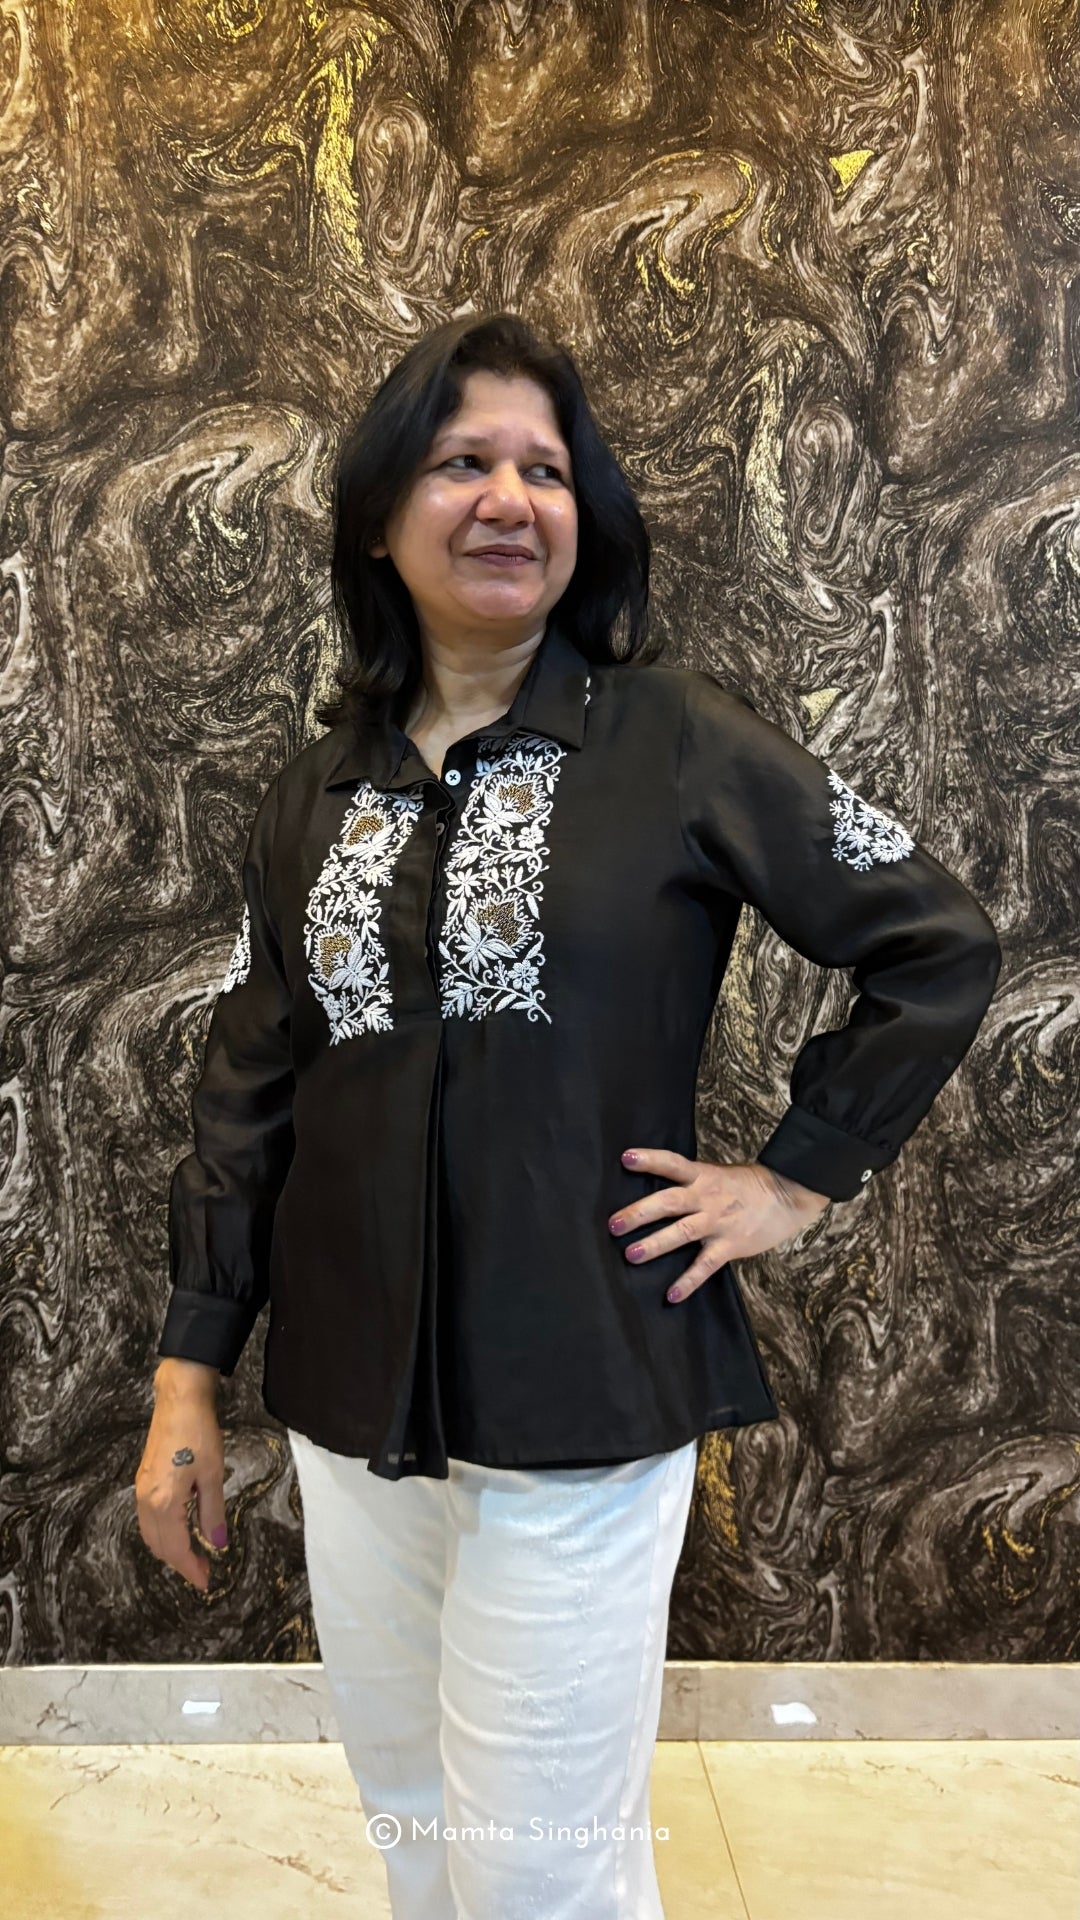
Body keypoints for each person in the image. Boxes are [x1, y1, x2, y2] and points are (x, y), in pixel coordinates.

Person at [136, 311, 1002, 1918]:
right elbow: (248, 1089)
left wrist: (796, 1178)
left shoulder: (672, 740)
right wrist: (190, 1375)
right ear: (380, 516)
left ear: (582, 514)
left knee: (540, 1860)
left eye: (543, 469)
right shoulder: (314, 792)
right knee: (410, 1812)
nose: (508, 499)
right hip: (348, 1398)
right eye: (462, 462)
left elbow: (936, 944)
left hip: (584, 1391)